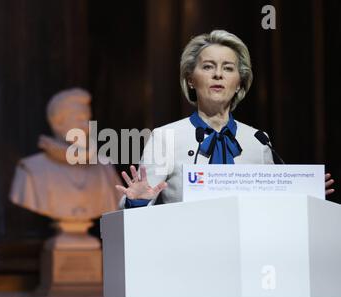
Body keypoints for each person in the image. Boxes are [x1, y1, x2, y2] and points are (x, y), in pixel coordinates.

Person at [115, 30, 335, 208]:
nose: (218, 74)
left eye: (228, 68)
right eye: (208, 66)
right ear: (191, 79)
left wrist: (304, 194)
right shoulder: (165, 137)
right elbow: (138, 212)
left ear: (239, 82)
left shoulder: (258, 141)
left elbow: (272, 205)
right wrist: (137, 200)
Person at [10, 88, 122, 221]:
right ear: (58, 123)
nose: (86, 126)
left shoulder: (105, 168)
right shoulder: (30, 170)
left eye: (88, 119)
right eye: (79, 120)